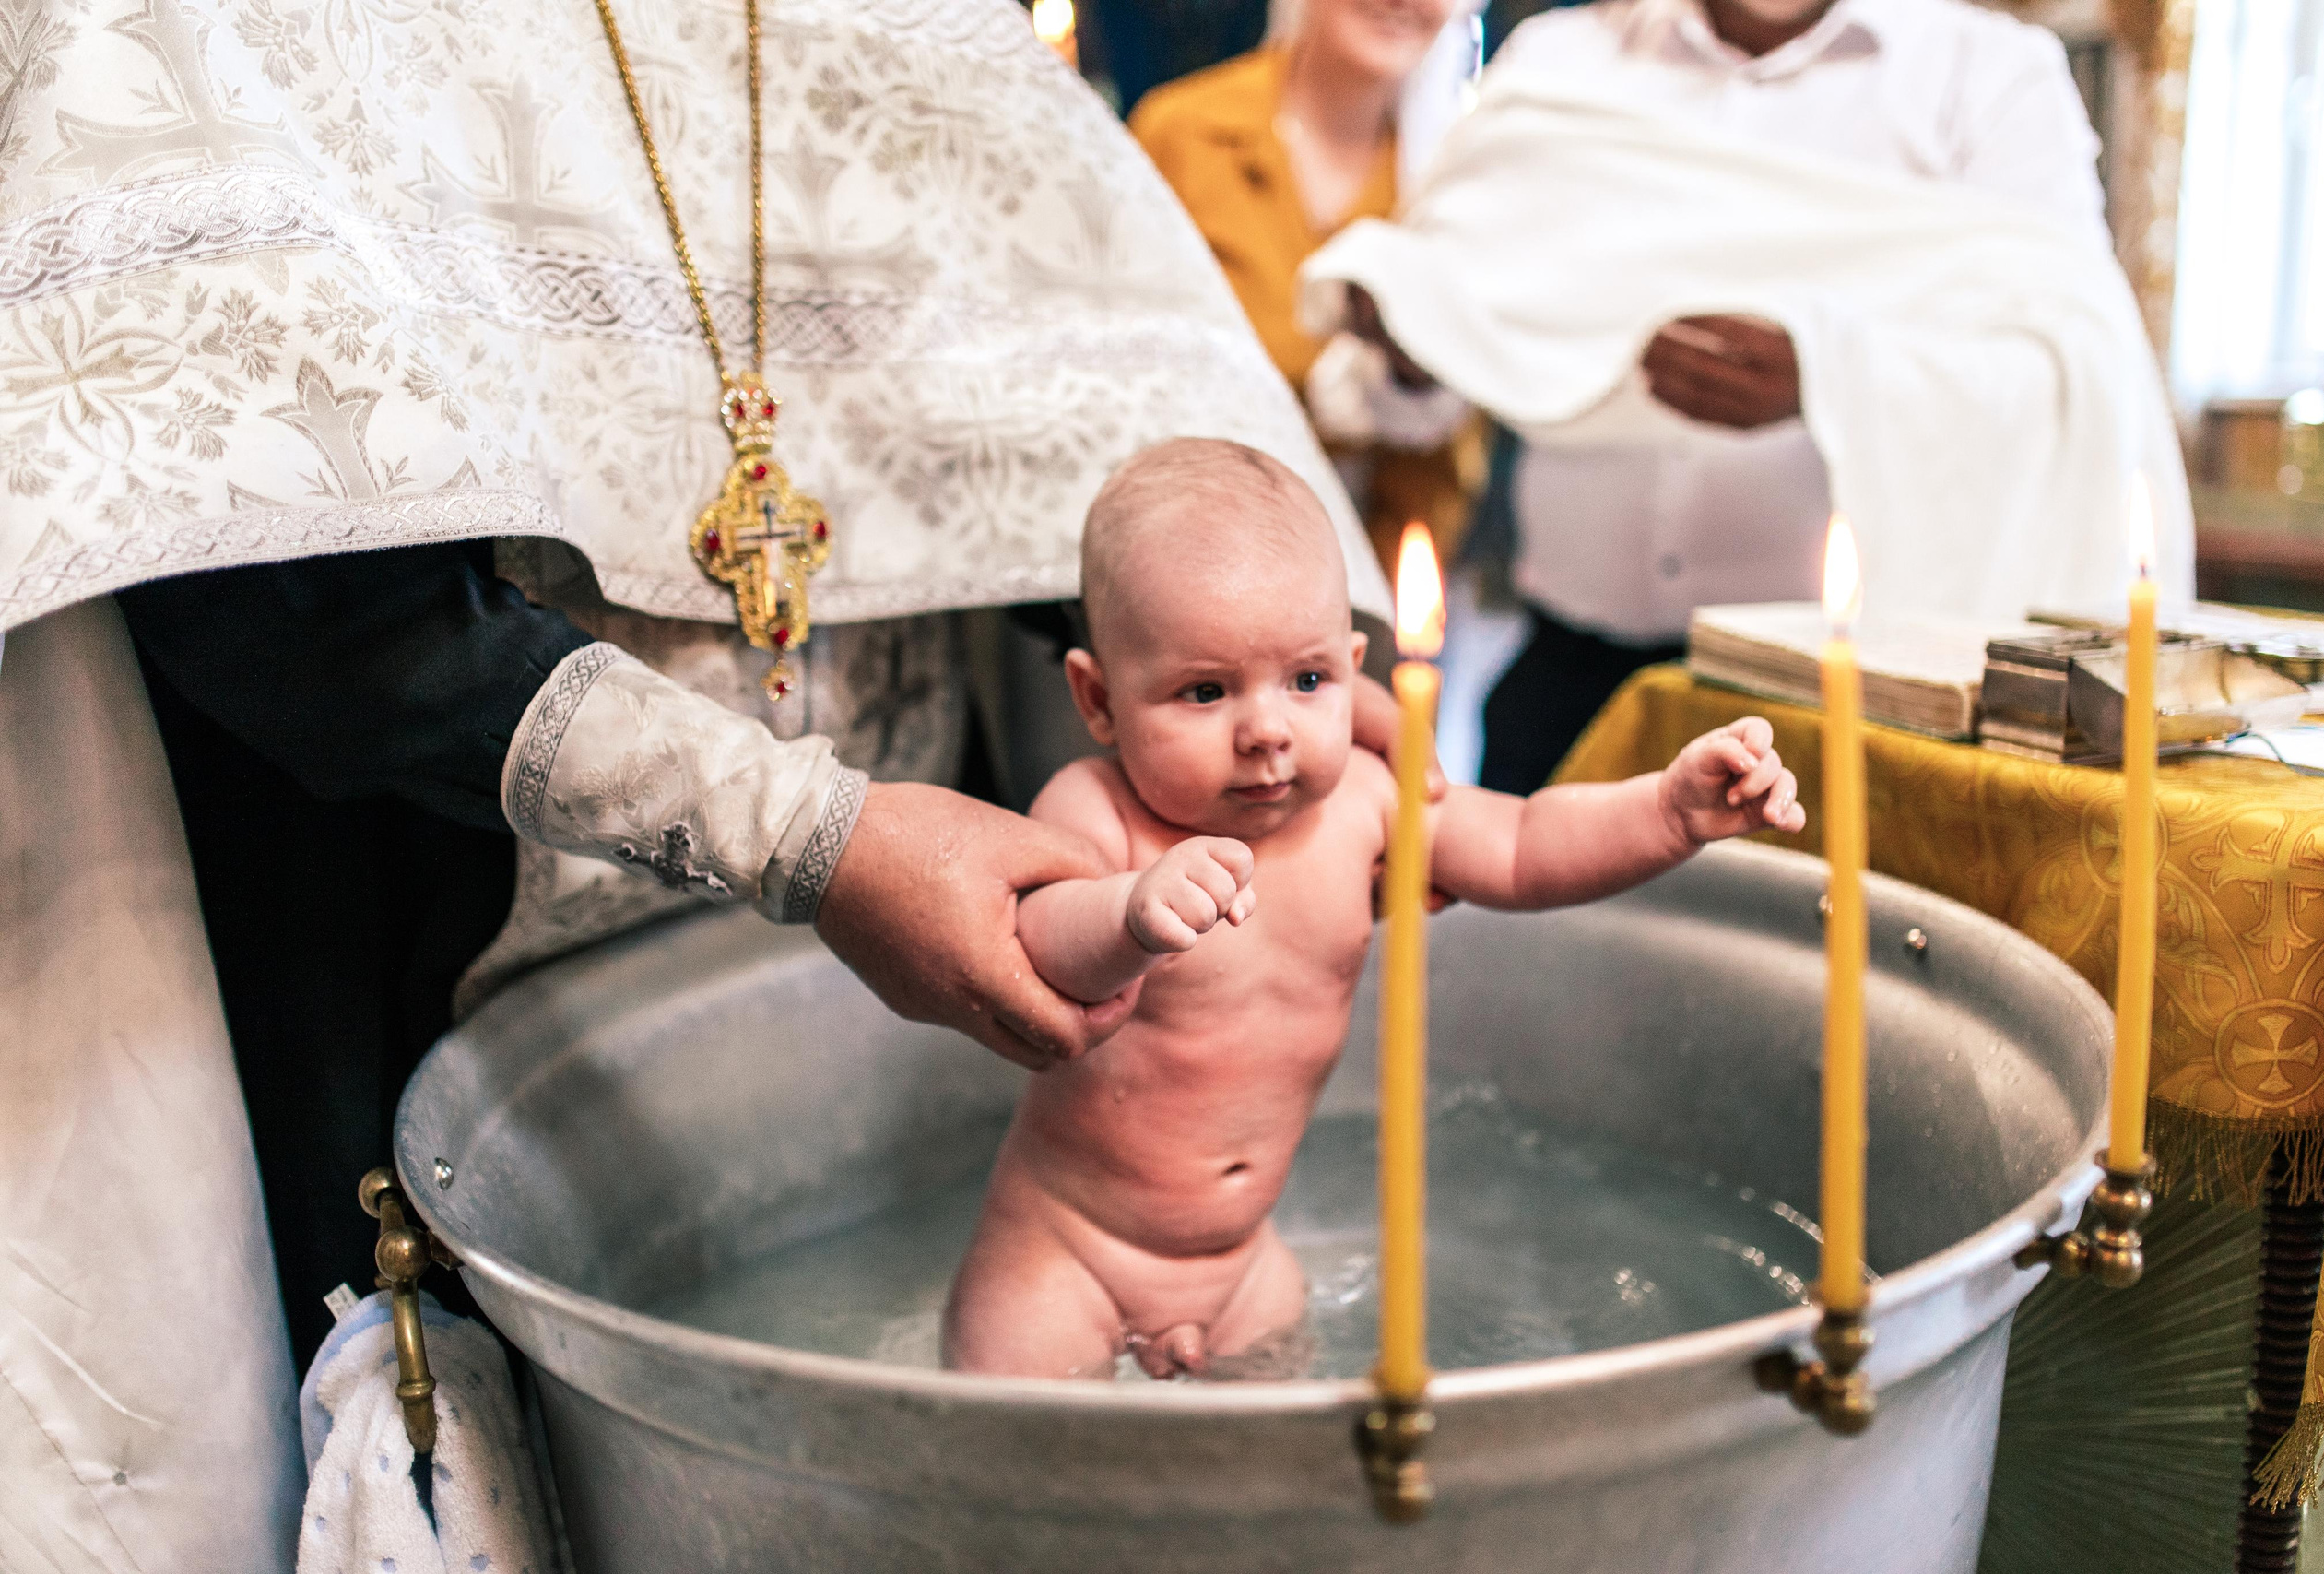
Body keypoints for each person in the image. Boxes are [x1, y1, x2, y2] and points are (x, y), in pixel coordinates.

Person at [0, 3, 1394, 1566]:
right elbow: (266, 563)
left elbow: (1073, 422)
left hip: (923, 1019)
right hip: (443, 963)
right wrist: (807, 834)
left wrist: (1260, 677)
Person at [939, 438, 1801, 1379]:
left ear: (1354, 666)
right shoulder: (1094, 809)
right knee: (1025, 1476)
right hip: (1065, 1251)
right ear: (1098, 700)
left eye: (1306, 681)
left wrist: (1667, 812)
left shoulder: (1364, 798)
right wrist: (1126, 915)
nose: (1267, 729)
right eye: (1203, 690)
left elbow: (1521, 847)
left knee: (1279, 1474)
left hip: (1239, 1268)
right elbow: (1035, 952)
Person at [1320, 0, 2151, 793]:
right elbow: (1428, 396)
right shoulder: (1556, 62)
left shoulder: (1988, 78)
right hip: (1567, 687)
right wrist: (1419, 340)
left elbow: (2071, 360)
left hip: (1843, 708)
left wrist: (1830, 373)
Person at [1129, 0, 1487, 576]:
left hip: (1353, 581)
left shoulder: (1452, 183)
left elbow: (1443, 465)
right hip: (1178, 555)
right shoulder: (1182, 134)